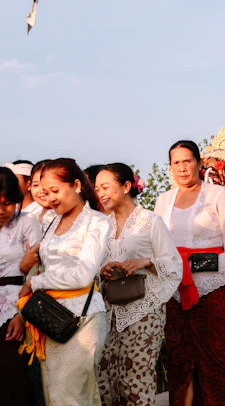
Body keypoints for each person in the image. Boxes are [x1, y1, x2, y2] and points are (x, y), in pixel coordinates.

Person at [154, 140, 225, 406]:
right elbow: (157, 244)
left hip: (214, 286)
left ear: (198, 163)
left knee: (217, 355)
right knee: (180, 357)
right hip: (175, 289)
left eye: (187, 161)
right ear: (170, 167)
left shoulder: (217, 195)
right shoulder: (163, 201)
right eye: (176, 162)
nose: (182, 168)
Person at [17, 158, 112, 406]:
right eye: (46, 193)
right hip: (49, 320)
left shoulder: (97, 221)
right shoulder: (50, 221)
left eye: (56, 191)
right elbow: (41, 263)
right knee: (54, 396)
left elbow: (82, 274)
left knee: (71, 397)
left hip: (82, 320)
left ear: (77, 185)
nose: (51, 198)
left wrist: (36, 283)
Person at [95, 163, 183, 406]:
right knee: (106, 379)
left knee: (137, 380)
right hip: (108, 312)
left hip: (144, 312)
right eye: (97, 188)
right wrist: (101, 270)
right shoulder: (101, 226)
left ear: (125, 187)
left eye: (105, 187)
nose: (100, 193)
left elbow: (175, 266)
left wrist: (146, 262)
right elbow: (90, 267)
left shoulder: (151, 221)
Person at [0, 166, 41, 406]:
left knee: (12, 378)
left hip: (14, 308)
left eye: (7, 203)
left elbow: (38, 269)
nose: (2, 210)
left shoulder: (27, 222)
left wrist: (21, 314)